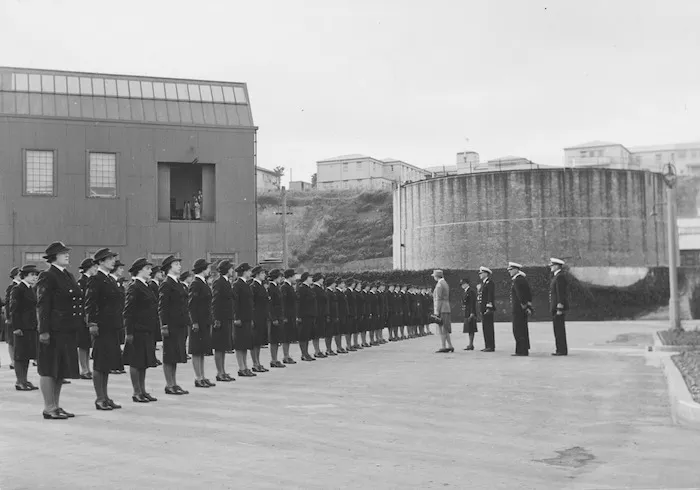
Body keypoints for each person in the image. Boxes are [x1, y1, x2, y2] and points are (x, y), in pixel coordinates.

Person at [35, 242, 82, 419]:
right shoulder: (48, 275)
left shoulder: (67, 275)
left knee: (61, 369)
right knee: (49, 368)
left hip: (67, 329)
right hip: (54, 329)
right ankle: (49, 407)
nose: (67, 255)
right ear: (54, 256)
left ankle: (56, 405)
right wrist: (44, 330)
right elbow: (43, 305)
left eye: (67, 253)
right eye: (63, 253)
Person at [86, 248, 125, 410]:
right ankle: (99, 398)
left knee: (107, 363)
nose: (113, 261)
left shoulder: (110, 279)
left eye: (113, 258)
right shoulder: (96, 279)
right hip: (101, 326)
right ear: (100, 262)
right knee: (100, 363)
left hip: (112, 326)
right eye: (109, 259)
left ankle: (106, 396)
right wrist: (92, 323)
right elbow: (90, 302)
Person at [122, 258, 159, 403]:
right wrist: (129, 332)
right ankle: (136, 391)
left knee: (144, 362)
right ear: (140, 270)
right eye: (148, 268)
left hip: (147, 329)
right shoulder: (134, 287)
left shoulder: (146, 286)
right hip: (137, 330)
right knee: (136, 361)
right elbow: (128, 311)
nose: (150, 271)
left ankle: (143, 390)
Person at [158, 255, 190, 395]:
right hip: (171, 324)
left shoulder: (177, 283)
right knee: (169, 355)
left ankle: (174, 383)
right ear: (169, 267)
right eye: (176, 264)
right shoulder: (166, 284)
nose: (179, 266)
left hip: (180, 323)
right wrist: (164, 325)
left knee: (175, 355)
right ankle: (169, 384)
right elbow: (162, 307)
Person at [10, 264, 40, 391]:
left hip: (30, 326)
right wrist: (16, 327)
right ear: (24, 276)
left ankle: (24, 379)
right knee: (20, 355)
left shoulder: (30, 289)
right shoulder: (18, 289)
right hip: (21, 327)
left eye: (36, 275)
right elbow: (14, 310)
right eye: (32, 275)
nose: (35, 277)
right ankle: (20, 381)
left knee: (27, 354)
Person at [188, 258, 215, 387]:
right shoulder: (196, 284)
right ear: (203, 269)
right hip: (198, 322)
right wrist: (194, 322)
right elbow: (192, 305)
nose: (209, 270)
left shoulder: (203, 283)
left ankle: (203, 376)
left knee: (202, 350)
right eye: (208, 268)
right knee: (196, 350)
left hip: (205, 320)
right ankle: (198, 377)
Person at [211, 260, 235, 381]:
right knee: (219, 347)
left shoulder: (226, 282)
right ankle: (219, 372)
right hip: (220, 318)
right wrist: (216, 319)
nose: (232, 270)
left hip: (226, 317)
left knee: (224, 346)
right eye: (230, 268)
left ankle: (223, 371)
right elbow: (215, 302)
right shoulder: (219, 282)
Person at [232, 262, 255, 376]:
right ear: (244, 271)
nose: (250, 273)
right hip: (240, 319)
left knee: (245, 344)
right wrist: (236, 317)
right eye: (249, 271)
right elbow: (235, 303)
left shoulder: (246, 284)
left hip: (247, 318)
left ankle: (245, 366)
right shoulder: (237, 284)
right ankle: (241, 367)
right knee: (240, 344)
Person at [76, 258, 97, 379]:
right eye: (94, 267)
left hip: (90, 317)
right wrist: (85, 316)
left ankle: (88, 368)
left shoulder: (91, 280)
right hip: (83, 317)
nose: (96, 269)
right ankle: (84, 369)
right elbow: (82, 301)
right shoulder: (82, 282)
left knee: (88, 344)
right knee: (83, 344)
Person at [508, 262, 533, 357]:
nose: (509, 272)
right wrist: (528, 306)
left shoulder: (518, 280)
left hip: (518, 309)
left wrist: (524, 306)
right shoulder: (521, 279)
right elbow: (529, 294)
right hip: (521, 309)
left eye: (511, 270)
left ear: (516, 269)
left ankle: (521, 350)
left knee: (518, 330)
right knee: (522, 329)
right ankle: (523, 349)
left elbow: (520, 295)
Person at [250, 266, 270, 372]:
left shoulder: (261, 286)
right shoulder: (253, 286)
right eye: (262, 273)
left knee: (259, 342)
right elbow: (251, 304)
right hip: (256, 317)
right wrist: (252, 318)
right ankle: (255, 363)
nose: (264, 275)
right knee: (254, 341)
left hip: (262, 316)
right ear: (257, 274)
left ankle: (258, 362)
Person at [549, 258, 569, 356]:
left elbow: (561, 294)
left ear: (557, 266)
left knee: (559, 329)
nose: (550, 267)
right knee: (557, 329)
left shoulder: (560, 277)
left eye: (552, 265)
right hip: (556, 307)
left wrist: (559, 308)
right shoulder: (557, 276)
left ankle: (561, 350)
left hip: (558, 308)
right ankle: (559, 349)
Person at [267, 269, 286, 368]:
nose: (281, 278)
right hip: (274, 317)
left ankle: (276, 359)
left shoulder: (277, 287)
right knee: (274, 339)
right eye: (279, 276)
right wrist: (273, 318)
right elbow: (270, 304)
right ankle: (273, 359)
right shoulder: (271, 287)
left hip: (279, 316)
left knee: (277, 339)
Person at [296, 272, 317, 361]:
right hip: (304, 315)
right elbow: (298, 303)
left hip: (310, 314)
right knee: (303, 335)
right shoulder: (302, 289)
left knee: (308, 335)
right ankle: (304, 353)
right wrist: (298, 316)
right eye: (310, 277)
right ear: (305, 278)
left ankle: (306, 352)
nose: (311, 279)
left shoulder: (309, 288)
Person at [432, 270, 454, 353]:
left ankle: (443, 346)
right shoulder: (445, 283)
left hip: (442, 308)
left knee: (442, 328)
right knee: (446, 327)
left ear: (436, 276)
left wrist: (437, 311)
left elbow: (438, 299)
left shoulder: (439, 285)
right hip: (446, 307)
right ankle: (450, 345)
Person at [279, 269, 298, 364]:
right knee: (286, 336)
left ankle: (287, 355)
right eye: (294, 276)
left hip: (291, 315)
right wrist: (284, 316)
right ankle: (285, 356)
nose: (295, 278)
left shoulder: (290, 287)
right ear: (290, 277)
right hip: (287, 315)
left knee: (289, 336)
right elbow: (283, 303)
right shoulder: (284, 287)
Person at [4, 267, 21, 370]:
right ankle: (13, 361)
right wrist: (8, 317)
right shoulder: (11, 287)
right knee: (11, 341)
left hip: (19, 317)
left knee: (16, 340)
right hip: (12, 317)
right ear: (15, 275)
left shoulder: (21, 286)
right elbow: (7, 304)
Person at [477, 267, 496, 352]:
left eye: (481, 273)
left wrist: (489, 307)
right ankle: (487, 345)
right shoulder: (484, 283)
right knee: (485, 327)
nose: (480, 275)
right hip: (483, 308)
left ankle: (490, 346)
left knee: (488, 327)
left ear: (486, 273)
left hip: (487, 309)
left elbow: (490, 296)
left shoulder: (489, 283)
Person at [311, 273, 328, 358]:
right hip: (317, 312)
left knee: (319, 332)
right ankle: (316, 350)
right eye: (322, 279)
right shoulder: (314, 288)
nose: (323, 280)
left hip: (322, 313)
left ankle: (318, 350)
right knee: (316, 333)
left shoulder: (321, 288)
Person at [460, 278, 478, 351]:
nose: (462, 285)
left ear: (467, 283)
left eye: (463, 284)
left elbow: (472, 303)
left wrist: (472, 312)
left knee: (471, 329)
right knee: (469, 328)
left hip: (470, 312)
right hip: (466, 312)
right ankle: (470, 344)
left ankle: (471, 344)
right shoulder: (465, 291)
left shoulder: (471, 291)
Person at [335, 278, 349, 354]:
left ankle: (340, 346)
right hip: (339, 314)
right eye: (343, 283)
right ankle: (338, 347)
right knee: (338, 331)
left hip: (343, 314)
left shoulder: (342, 292)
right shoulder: (337, 292)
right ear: (339, 284)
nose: (344, 285)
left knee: (341, 331)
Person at [343, 278, 357, 351]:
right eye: (353, 283)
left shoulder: (353, 292)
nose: (354, 284)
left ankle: (350, 344)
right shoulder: (347, 292)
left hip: (353, 312)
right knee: (348, 330)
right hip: (349, 313)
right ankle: (348, 345)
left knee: (351, 330)